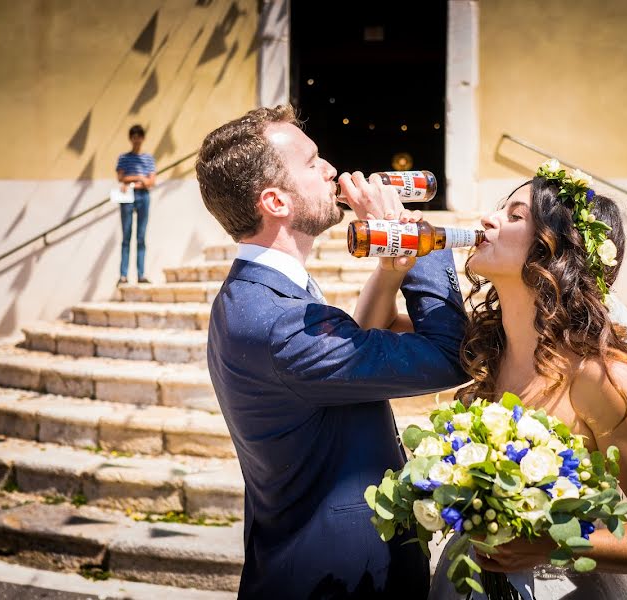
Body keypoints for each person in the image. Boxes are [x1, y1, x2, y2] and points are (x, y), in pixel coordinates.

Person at [426, 162, 627, 599]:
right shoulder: (486, 348)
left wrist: (552, 543)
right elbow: (373, 338)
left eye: (515, 215)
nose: (488, 219)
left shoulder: (604, 378)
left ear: (553, 252)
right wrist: (392, 269)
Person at [194, 105, 469, 599]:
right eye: (312, 161)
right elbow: (448, 355)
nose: (331, 171)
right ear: (275, 201)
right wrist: (415, 234)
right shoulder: (278, 321)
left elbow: (356, 344)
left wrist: (393, 265)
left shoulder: (262, 295)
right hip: (339, 580)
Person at [115, 124, 156, 285]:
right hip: (128, 196)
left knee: (141, 237)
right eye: (134, 136)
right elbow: (120, 177)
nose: (137, 139)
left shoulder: (148, 158)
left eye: (139, 136)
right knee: (126, 236)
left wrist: (132, 178)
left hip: (143, 197)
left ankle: (141, 274)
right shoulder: (123, 158)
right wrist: (140, 178)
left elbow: (151, 181)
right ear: (131, 138)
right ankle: (123, 275)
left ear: (143, 138)